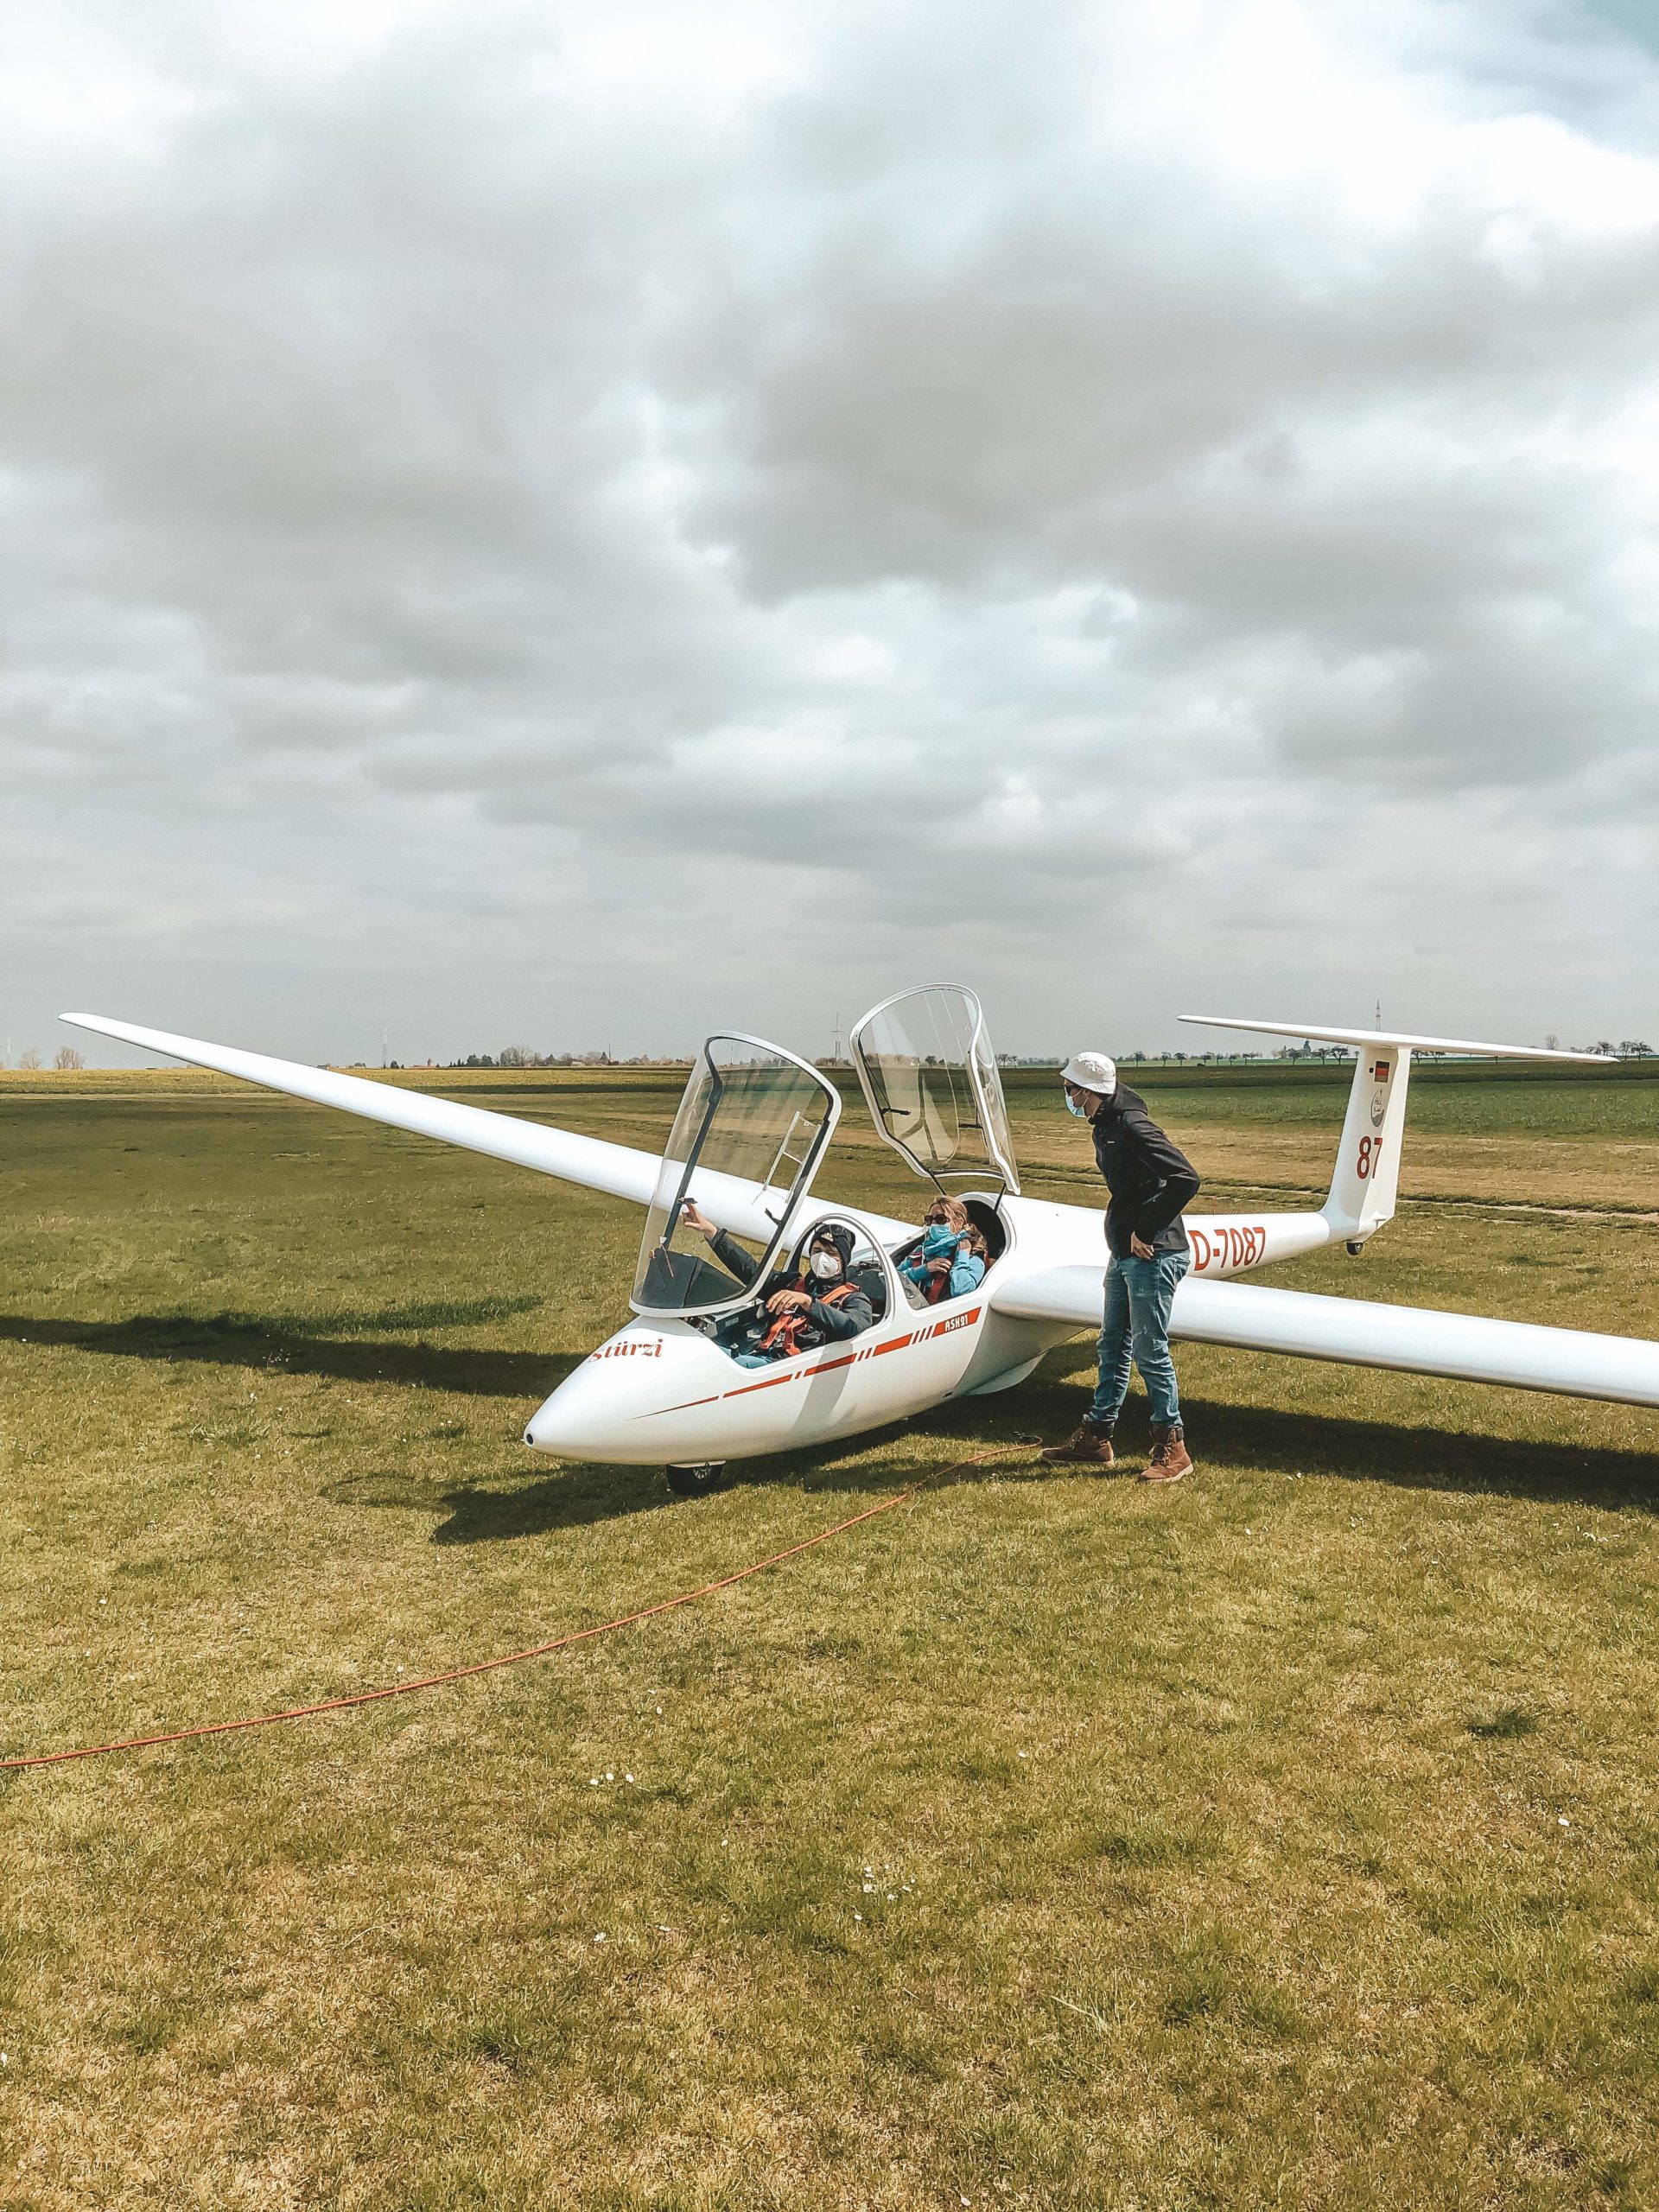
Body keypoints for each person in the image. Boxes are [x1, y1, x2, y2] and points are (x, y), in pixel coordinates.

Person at [1042, 1051, 1200, 1483]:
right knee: (1112, 1344)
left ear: (1089, 1091)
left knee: (1151, 1351)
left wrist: (1145, 1230)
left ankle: (1173, 1448)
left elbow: (1186, 1178)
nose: (1068, 1096)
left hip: (1154, 1255)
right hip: (1125, 1254)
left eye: (1071, 1089)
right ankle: (1097, 1438)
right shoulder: (1106, 1125)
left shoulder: (1133, 1126)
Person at [678, 1201, 874, 1363]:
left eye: (831, 1253)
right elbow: (750, 1271)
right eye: (817, 1251)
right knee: (698, 1353)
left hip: (793, 1371)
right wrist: (712, 1232)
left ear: (843, 1260)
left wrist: (808, 1303)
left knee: (724, 1365)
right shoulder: (792, 1285)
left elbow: (853, 1327)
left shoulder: (854, 1299)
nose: (822, 1258)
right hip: (761, 1357)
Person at [898, 1197, 988, 1305]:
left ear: (958, 1223)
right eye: (929, 1220)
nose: (933, 1224)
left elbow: (961, 1290)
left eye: (940, 1219)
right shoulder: (921, 1251)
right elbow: (892, 1279)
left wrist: (961, 1258)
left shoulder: (972, 1257)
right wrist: (925, 1269)